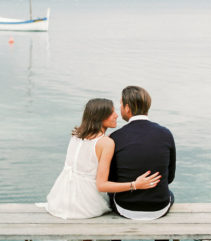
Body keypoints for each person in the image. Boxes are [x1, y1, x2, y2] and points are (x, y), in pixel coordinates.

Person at [46, 98, 161, 219]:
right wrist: (135, 185)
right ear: (100, 117)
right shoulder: (106, 143)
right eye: (111, 113)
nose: (116, 115)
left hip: (62, 199)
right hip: (86, 203)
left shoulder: (76, 135)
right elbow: (101, 185)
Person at [108, 85, 176, 224]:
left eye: (121, 104)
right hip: (159, 207)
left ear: (127, 108)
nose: (120, 109)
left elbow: (112, 179)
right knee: (170, 194)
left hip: (125, 207)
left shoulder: (115, 137)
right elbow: (169, 178)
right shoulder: (165, 133)